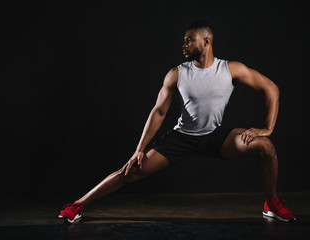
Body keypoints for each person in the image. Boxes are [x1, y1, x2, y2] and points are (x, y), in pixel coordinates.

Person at [58, 20, 296, 223]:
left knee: (266, 146)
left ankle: (272, 203)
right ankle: (77, 205)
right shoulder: (177, 73)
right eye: (184, 40)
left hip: (216, 137)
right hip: (182, 137)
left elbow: (271, 88)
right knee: (129, 171)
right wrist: (139, 150)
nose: (184, 45)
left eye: (189, 40)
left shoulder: (231, 69)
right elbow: (159, 112)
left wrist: (268, 128)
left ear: (206, 41)